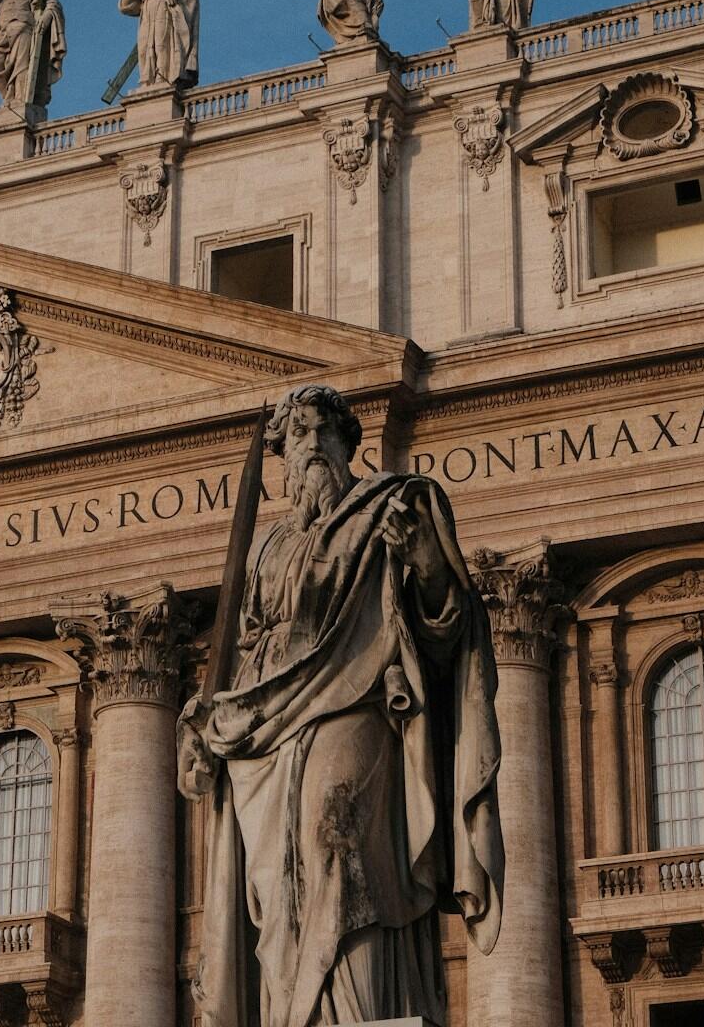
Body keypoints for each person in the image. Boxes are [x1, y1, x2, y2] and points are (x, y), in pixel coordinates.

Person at [181, 384, 502, 1027]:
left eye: (322, 431)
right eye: (296, 436)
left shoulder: (393, 507)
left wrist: (424, 560)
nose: (311, 446)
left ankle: (359, 1011)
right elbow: (247, 649)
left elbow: (446, 630)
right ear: (282, 457)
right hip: (267, 740)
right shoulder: (269, 548)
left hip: (355, 705)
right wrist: (211, 722)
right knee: (281, 890)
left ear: (348, 440)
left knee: (342, 845)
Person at [119, 0, 199, 90]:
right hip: (147, 17)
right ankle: (146, 80)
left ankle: (162, 78)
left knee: (162, 45)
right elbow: (124, 5)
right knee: (144, 48)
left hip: (165, 13)